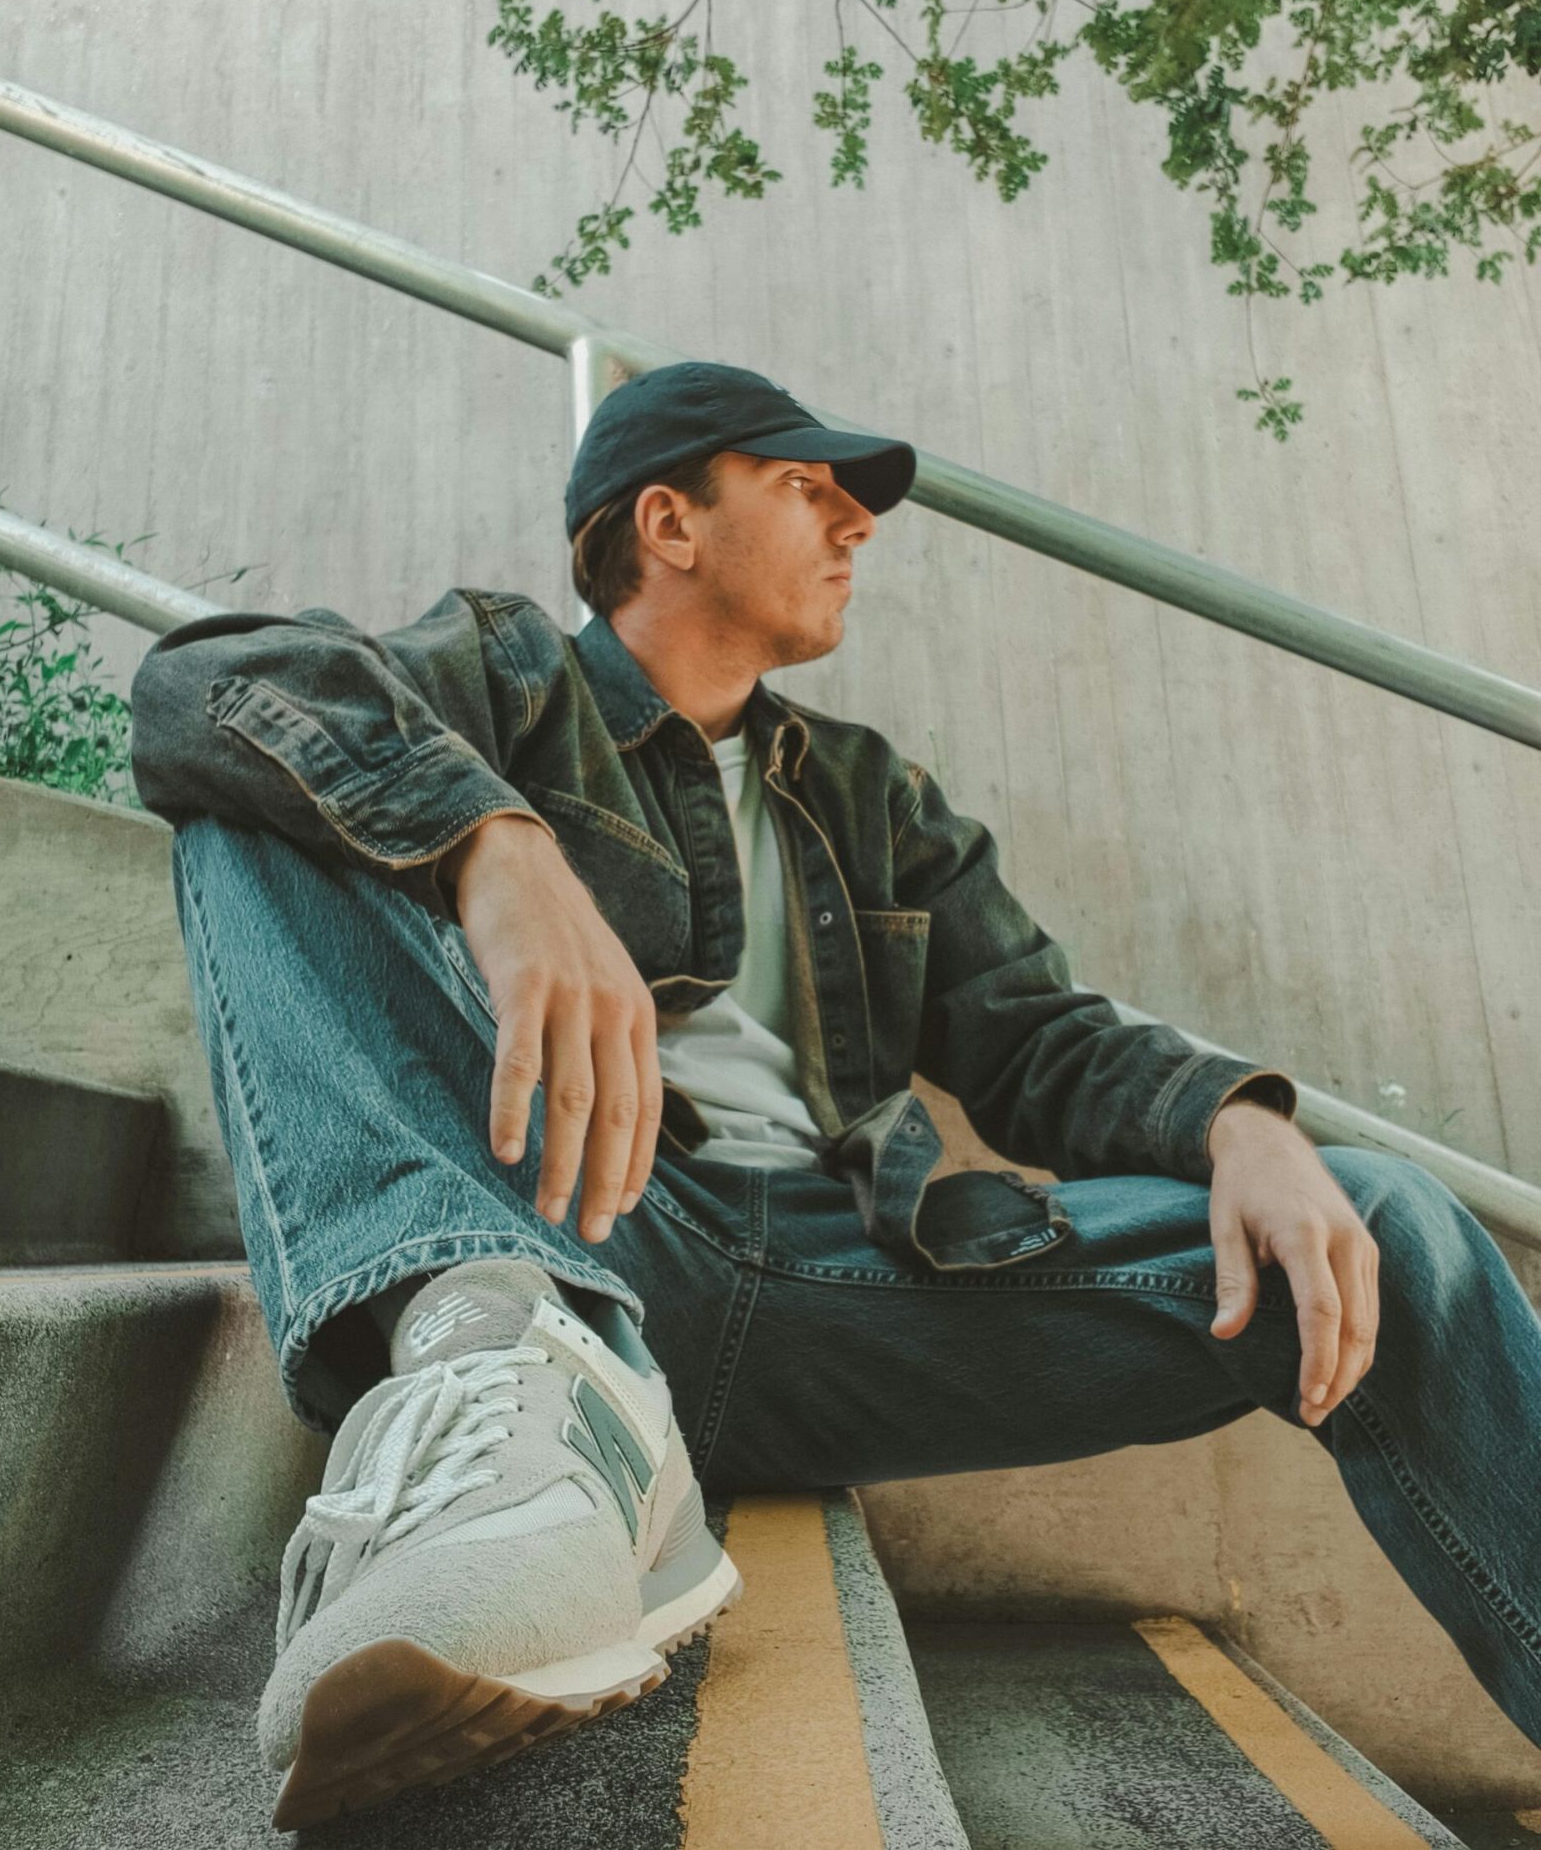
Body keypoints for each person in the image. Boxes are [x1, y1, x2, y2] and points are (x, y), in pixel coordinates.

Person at [129, 359, 1541, 1832]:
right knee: (249, 793)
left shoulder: (871, 797)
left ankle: (576, 1435)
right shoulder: (509, 679)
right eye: (807, 488)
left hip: (845, 1281)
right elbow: (203, 683)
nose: (856, 524)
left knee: (1385, 1221)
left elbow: (1038, 1036)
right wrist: (493, 840)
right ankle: (512, 1394)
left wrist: (1242, 1122)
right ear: (670, 524)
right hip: (566, 1221)